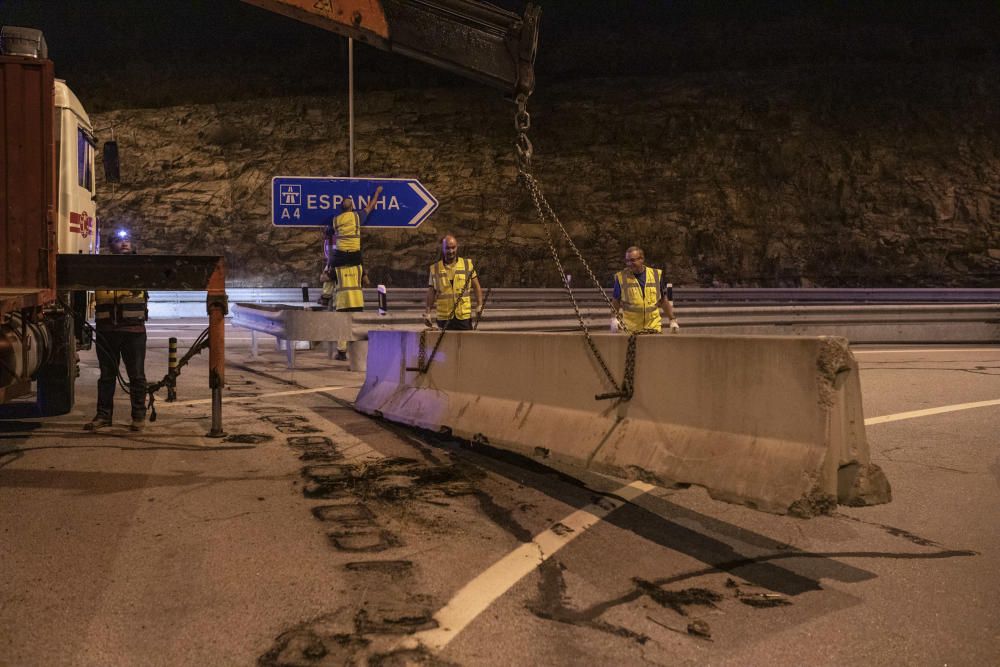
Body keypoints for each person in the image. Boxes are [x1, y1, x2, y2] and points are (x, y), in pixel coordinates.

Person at [84, 231, 149, 431]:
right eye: (118, 241)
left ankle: (138, 417)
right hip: (107, 330)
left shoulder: (142, 267)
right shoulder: (100, 269)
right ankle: (104, 415)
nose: (123, 244)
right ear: (110, 246)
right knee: (106, 376)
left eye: (127, 240)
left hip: (133, 330)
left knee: (136, 375)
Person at [325, 186, 382, 360]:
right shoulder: (357, 216)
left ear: (341, 208)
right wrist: (378, 193)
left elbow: (328, 233)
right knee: (360, 270)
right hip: (355, 256)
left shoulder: (336, 220)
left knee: (328, 273)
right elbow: (370, 207)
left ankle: (325, 295)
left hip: (341, 255)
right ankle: (365, 277)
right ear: (351, 207)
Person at [610, 246, 679, 334]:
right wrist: (613, 318)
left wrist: (672, 320)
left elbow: (663, 300)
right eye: (627, 261)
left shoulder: (655, 275)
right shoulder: (621, 277)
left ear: (641, 259)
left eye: (632, 260)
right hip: (631, 330)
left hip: (653, 328)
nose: (629, 264)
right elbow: (616, 300)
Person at [424, 234, 483, 330]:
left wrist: (479, 305)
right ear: (442, 249)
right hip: (444, 317)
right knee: (445, 344)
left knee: (465, 343)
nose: (451, 251)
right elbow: (431, 291)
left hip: (463, 317)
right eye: (447, 248)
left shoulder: (467, 265)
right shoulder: (435, 269)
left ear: (457, 247)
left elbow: (476, 286)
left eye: (453, 247)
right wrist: (427, 312)